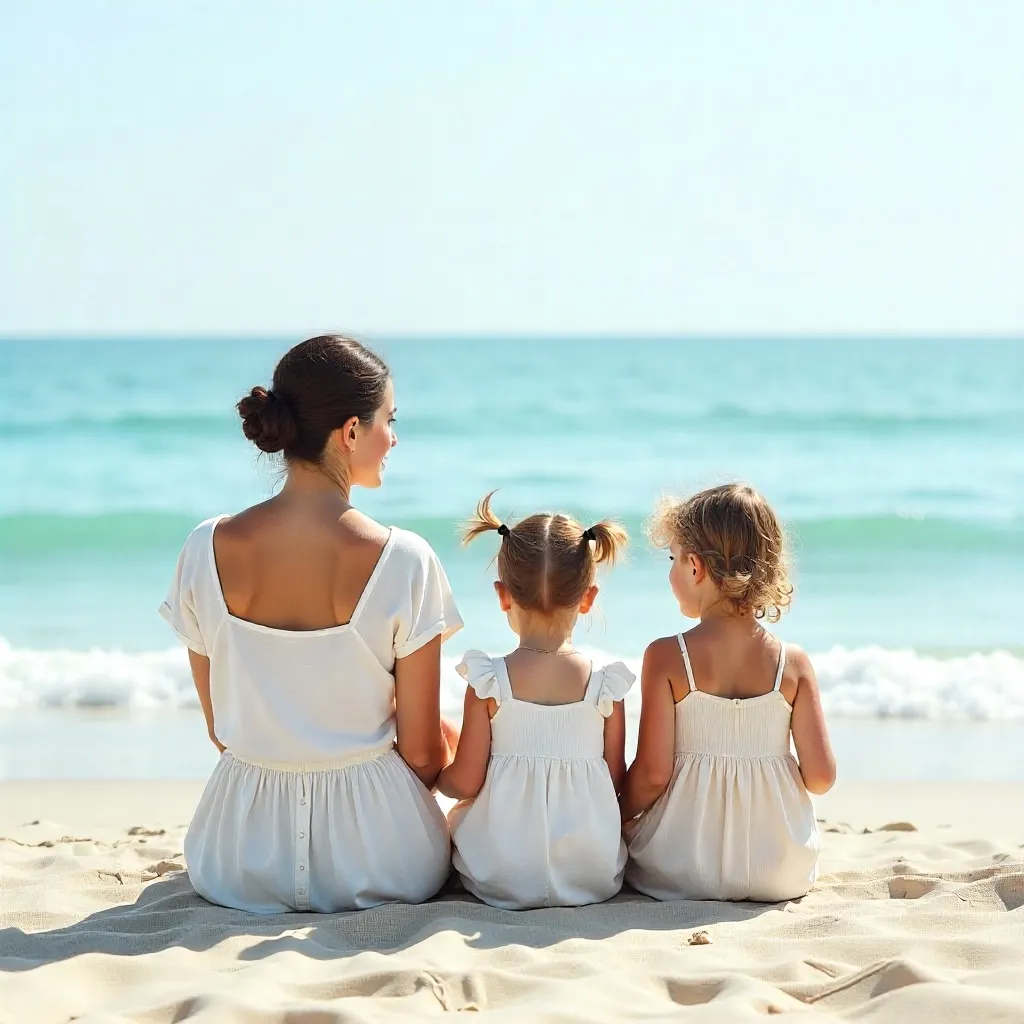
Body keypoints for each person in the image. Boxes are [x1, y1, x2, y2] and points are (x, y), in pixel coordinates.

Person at [159, 334, 462, 913]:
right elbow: (423, 754)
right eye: (389, 420)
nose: (393, 437)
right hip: (381, 863)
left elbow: (222, 729)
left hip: (234, 861)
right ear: (350, 432)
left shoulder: (205, 547)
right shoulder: (405, 559)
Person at [621, 483, 835, 902]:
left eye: (673, 559)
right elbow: (821, 777)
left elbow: (651, 775)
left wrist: (616, 815)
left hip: (683, 869)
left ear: (695, 567)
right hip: (779, 872)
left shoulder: (667, 657)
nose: (671, 571)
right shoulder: (792, 664)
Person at [437, 493, 634, 909]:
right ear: (588, 598)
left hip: (501, 875)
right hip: (591, 874)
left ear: (503, 595)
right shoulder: (604, 687)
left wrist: (439, 773)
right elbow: (614, 780)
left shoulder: (489, 682)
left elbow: (466, 782)